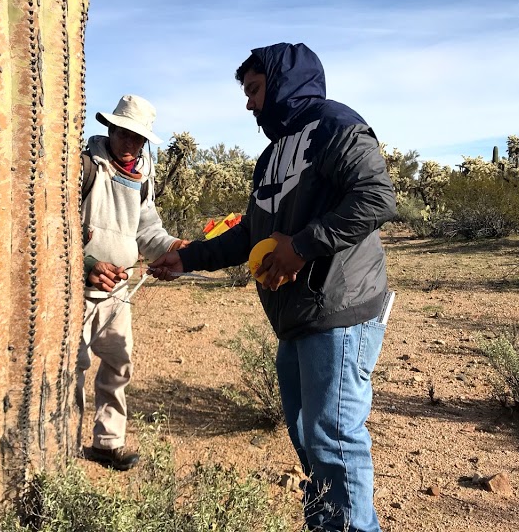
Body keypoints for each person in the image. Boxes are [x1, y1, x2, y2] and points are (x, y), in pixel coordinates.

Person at [150, 43, 397, 531]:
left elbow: (376, 198)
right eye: (246, 93)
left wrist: (302, 246)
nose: (249, 104)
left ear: (285, 83)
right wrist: (189, 258)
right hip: (296, 317)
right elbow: (250, 233)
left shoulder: (335, 125)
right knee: (309, 437)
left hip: (339, 308)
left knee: (333, 437)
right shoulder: (270, 157)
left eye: (256, 90)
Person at [77, 94, 188, 471]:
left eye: (139, 139)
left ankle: (108, 443)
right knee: (69, 370)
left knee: (118, 366)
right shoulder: (84, 167)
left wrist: (174, 246)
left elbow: (147, 231)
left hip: (117, 293)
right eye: (126, 135)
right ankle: (57, 449)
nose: (132, 144)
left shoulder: (141, 177)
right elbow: (53, 225)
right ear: (110, 129)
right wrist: (85, 262)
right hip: (76, 291)